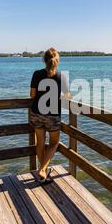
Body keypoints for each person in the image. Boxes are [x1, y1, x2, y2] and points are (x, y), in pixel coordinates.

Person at [29, 48, 69, 184]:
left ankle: (42, 172)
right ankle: (42, 170)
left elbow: (32, 95)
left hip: (37, 113)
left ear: (44, 60)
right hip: (52, 115)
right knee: (54, 143)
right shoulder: (61, 77)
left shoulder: (36, 74)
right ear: (57, 61)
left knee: (40, 142)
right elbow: (67, 96)